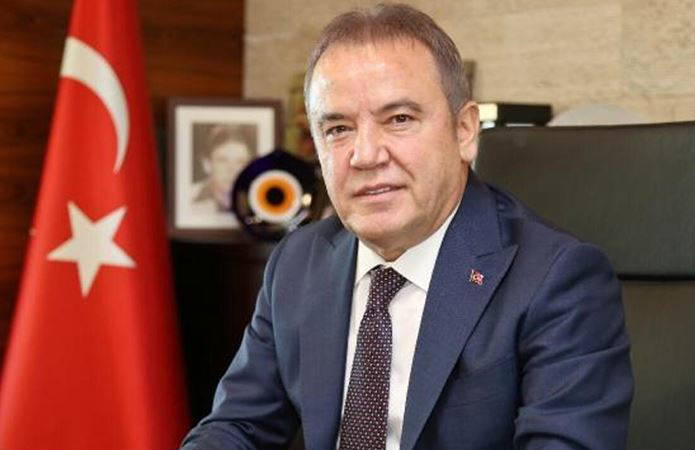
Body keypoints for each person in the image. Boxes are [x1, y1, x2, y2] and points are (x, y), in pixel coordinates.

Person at [182, 4, 633, 449]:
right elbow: (236, 427)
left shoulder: (555, 278)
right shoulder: (298, 261)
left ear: (464, 130)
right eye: (338, 128)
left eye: (399, 119)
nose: (366, 155)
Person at [191, 124, 256, 213]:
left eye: (240, 162)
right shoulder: (187, 201)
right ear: (207, 165)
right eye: (223, 161)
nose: (232, 170)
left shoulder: (258, 201)